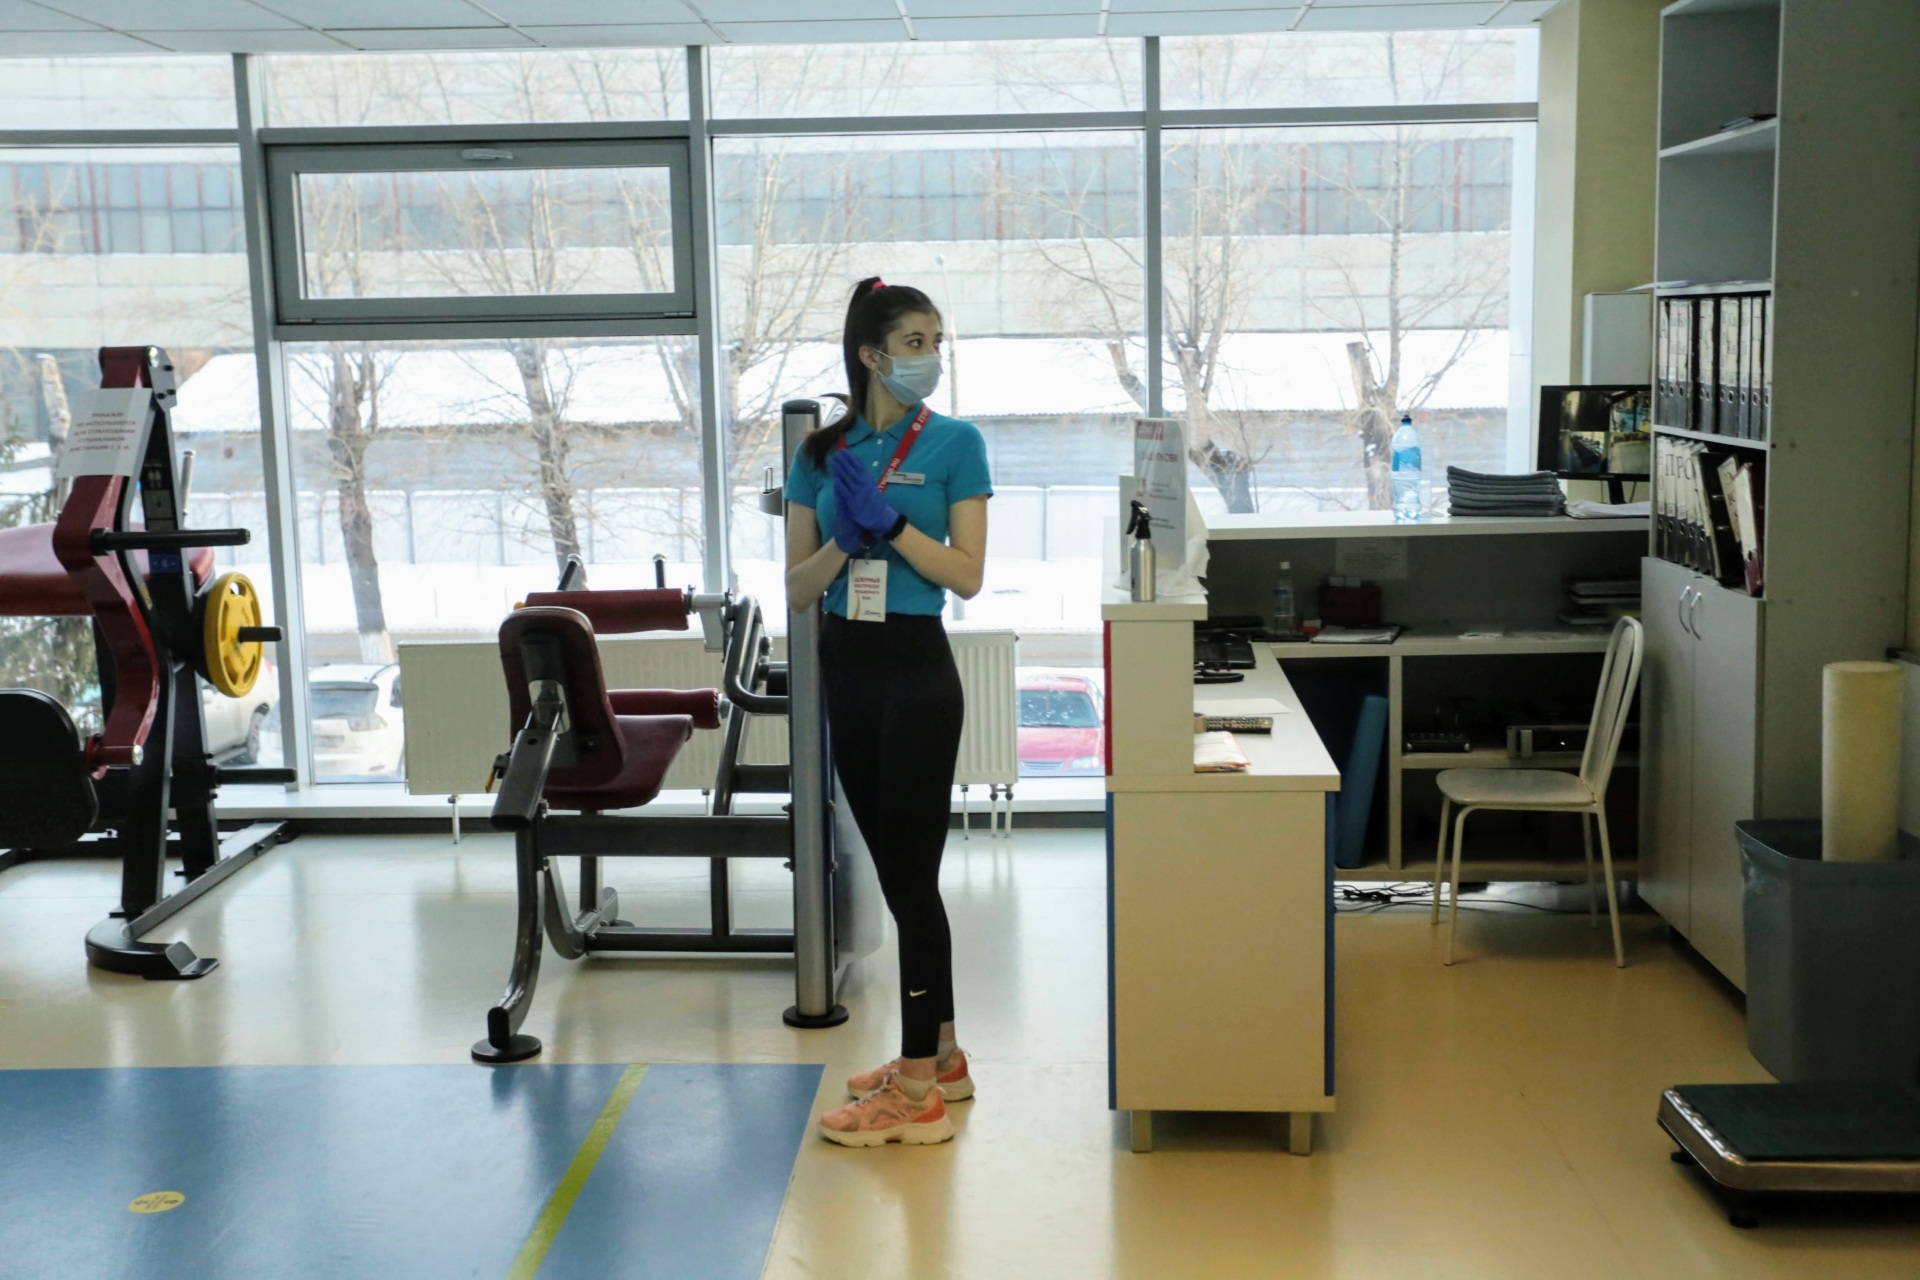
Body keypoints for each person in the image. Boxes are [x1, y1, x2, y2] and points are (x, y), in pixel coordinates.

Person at [784, 277, 992, 1148]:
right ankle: (942, 1056)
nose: (929, 357)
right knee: (897, 872)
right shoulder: (821, 453)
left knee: (911, 884)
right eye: (914, 343)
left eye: (936, 341)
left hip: (915, 667)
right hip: (847, 665)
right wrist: (845, 537)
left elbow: (967, 574)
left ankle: (914, 1097)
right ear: (870, 355)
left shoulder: (955, 443)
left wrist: (895, 528)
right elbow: (799, 589)